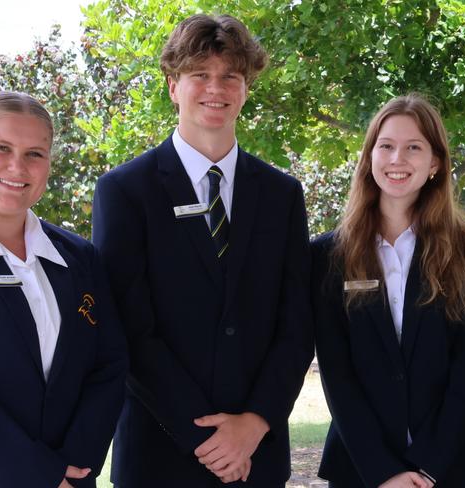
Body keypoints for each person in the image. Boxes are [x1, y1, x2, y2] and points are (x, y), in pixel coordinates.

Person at [92, 14, 314, 488]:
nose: (216, 88)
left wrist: (254, 424)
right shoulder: (125, 191)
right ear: (173, 85)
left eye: (230, 75)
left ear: (246, 87)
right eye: (200, 75)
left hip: (257, 456)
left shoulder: (282, 194)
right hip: (160, 453)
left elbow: (296, 325)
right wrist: (208, 440)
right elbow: (130, 330)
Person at [312, 94, 465, 488]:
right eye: (387, 146)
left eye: (414, 147)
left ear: (435, 163)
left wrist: (428, 467)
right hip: (360, 469)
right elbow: (337, 373)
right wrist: (385, 472)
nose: (398, 159)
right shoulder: (327, 255)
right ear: (369, 157)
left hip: (451, 469)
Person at [0, 91, 127, 488]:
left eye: (35, 153)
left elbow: (108, 365)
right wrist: (36, 475)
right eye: (1, 148)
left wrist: (73, 467)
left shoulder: (79, 257)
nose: (18, 166)